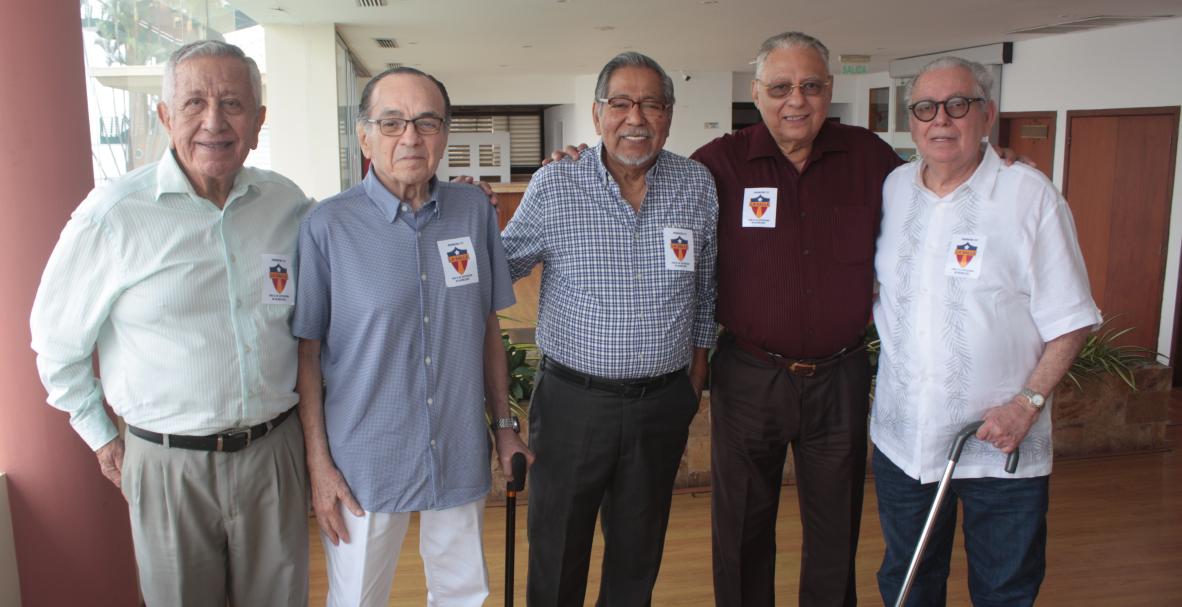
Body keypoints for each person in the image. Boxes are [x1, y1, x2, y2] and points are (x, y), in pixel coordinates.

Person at [30, 40, 311, 605]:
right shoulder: (113, 215)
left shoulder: (287, 205)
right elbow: (55, 346)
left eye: (233, 104)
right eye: (193, 103)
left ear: (258, 121)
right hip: (167, 465)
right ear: (163, 116)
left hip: (274, 454)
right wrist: (102, 438)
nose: (214, 121)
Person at [293, 66, 531, 607]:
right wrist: (319, 465)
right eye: (393, 122)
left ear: (445, 133)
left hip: (456, 448)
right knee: (357, 598)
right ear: (364, 135)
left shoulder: (473, 213)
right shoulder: (327, 227)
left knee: (464, 594)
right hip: (363, 462)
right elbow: (307, 354)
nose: (411, 137)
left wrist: (504, 426)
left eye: (427, 122)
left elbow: (487, 326)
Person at [871, 56, 1098, 607]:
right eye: (925, 108)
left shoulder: (1030, 196)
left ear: (987, 114)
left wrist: (1027, 403)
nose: (941, 120)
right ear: (911, 120)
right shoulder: (894, 188)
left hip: (1002, 443)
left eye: (959, 104)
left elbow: (1071, 321)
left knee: (1004, 590)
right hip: (905, 443)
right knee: (908, 581)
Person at [689, 32, 903, 607]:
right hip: (750, 374)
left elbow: (941, 189)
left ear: (829, 90)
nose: (796, 101)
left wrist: (992, 159)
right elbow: (647, 193)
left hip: (840, 376)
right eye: (781, 87)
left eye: (810, 86)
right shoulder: (717, 164)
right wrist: (581, 163)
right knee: (740, 529)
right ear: (757, 94)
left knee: (837, 531)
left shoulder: (872, 158)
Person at [501, 52, 718, 606]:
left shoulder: (696, 185)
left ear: (669, 114)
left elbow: (706, 288)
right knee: (556, 551)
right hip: (574, 404)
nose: (635, 117)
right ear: (598, 114)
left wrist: (695, 374)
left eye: (651, 103)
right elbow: (503, 267)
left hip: (661, 404)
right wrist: (463, 213)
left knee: (637, 552)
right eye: (620, 103)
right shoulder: (557, 182)